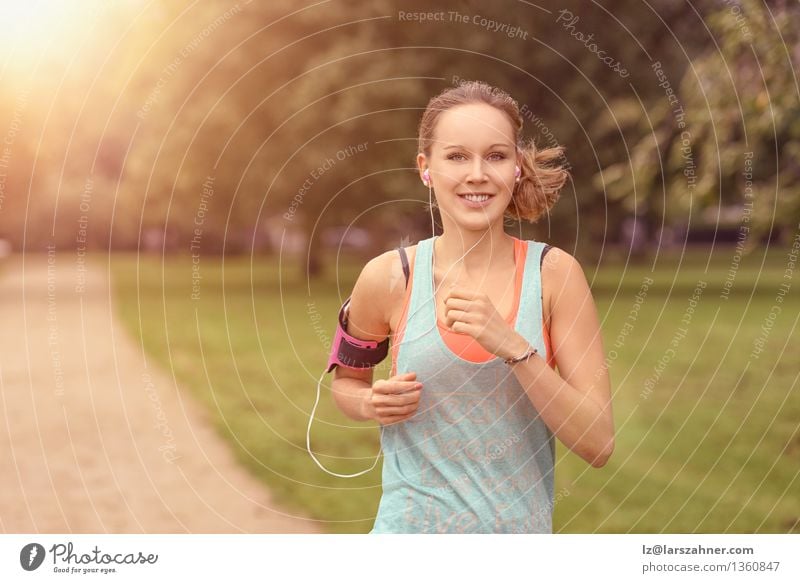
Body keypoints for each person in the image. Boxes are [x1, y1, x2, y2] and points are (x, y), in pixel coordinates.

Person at [330, 80, 614, 533]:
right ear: (426, 168)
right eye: (457, 156)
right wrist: (369, 403)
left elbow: (598, 443)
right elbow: (346, 382)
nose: (477, 174)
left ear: (517, 167)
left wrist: (515, 348)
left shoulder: (555, 276)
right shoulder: (389, 277)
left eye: (496, 156)